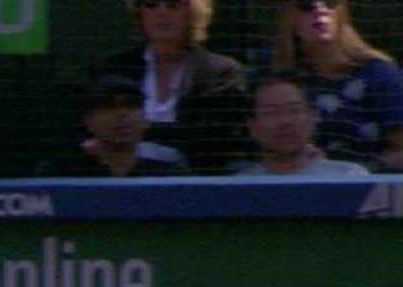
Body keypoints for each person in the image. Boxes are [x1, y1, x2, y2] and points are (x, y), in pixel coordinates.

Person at [87, 0, 249, 175]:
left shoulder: (220, 72)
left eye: (173, 5)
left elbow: (210, 140)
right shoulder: (116, 67)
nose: (162, 13)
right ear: (140, 14)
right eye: (151, 5)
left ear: (192, 13)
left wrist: (131, 135)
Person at [269, 0, 403, 172]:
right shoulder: (278, 78)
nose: (320, 10)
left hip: (365, 184)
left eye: (330, 3)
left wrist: (355, 169)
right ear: (290, 18)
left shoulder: (379, 74)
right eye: (306, 5)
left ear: (342, 13)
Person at [38, 76, 193, 177]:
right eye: (109, 106)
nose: (122, 114)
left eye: (131, 105)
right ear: (89, 122)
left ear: (145, 120)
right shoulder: (60, 174)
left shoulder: (168, 173)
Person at [238, 70, 369, 175]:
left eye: (294, 110)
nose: (285, 122)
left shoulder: (349, 176)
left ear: (313, 117)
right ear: (253, 126)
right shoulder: (240, 186)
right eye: (271, 113)